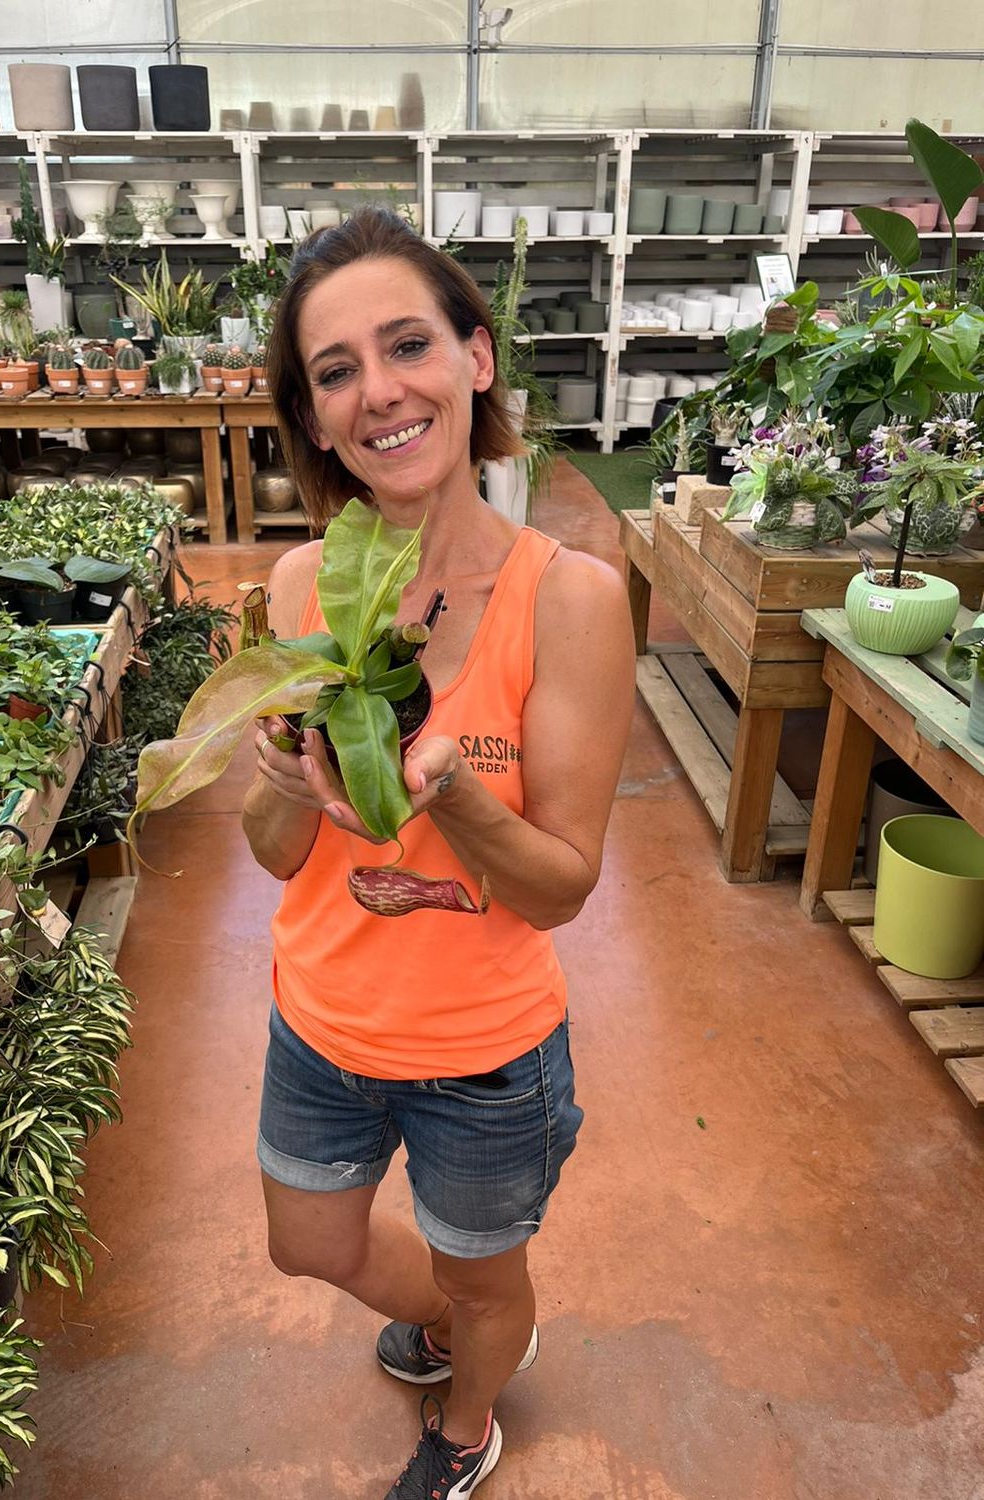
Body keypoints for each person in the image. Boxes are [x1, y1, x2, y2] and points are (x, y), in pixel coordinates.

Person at [243, 206, 635, 1496]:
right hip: (321, 1024)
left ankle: (471, 1416)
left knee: (482, 1273)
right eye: (335, 370)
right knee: (308, 1243)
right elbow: (271, 851)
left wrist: (453, 799)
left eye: (407, 344)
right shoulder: (305, 586)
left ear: (476, 359)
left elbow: (564, 884)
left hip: (484, 1057)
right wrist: (281, 780)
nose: (378, 393)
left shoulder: (567, 597)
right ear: (311, 415)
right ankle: (468, 1325)